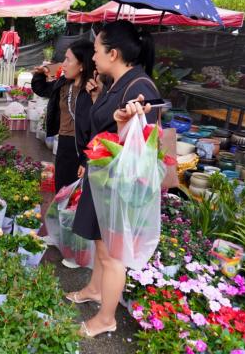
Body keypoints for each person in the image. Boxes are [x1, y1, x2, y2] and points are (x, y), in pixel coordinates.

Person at [67, 20, 160, 338]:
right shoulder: (118, 82)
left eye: (96, 50)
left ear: (114, 53)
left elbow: (145, 143)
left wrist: (124, 120)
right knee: (99, 241)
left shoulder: (141, 89)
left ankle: (106, 317)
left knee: (112, 252)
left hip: (120, 184)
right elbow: (104, 124)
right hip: (103, 175)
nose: (92, 57)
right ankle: (95, 288)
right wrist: (97, 98)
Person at [31, 40, 95, 193]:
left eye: (68, 59)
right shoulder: (64, 84)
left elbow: (96, 127)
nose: (63, 64)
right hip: (64, 144)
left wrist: (85, 160)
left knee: (78, 194)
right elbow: (41, 89)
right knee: (62, 191)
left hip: (82, 148)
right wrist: (40, 74)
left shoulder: (92, 90)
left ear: (82, 65)